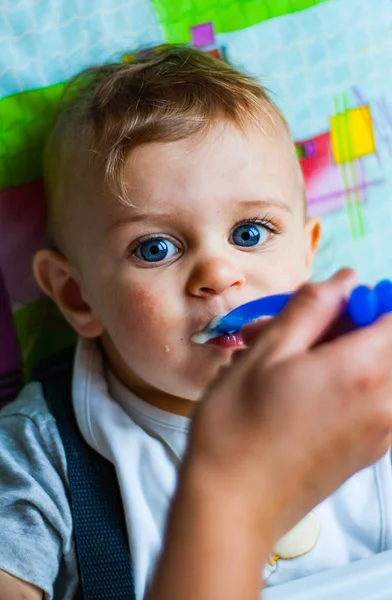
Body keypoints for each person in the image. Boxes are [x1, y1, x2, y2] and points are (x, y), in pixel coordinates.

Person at [1, 45, 392, 600]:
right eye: (156, 247)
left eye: (251, 233)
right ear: (75, 295)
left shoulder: (374, 388)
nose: (219, 273)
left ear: (306, 257)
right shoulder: (37, 463)